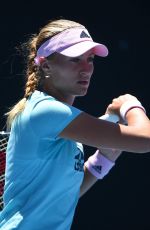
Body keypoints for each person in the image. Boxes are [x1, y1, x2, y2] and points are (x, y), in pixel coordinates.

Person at [0, 18, 150, 230]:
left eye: (90, 59)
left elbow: (64, 194)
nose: (86, 69)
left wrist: (104, 158)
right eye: (75, 59)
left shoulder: (59, 122)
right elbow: (146, 140)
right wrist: (130, 105)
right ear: (46, 66)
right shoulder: (46, 111)